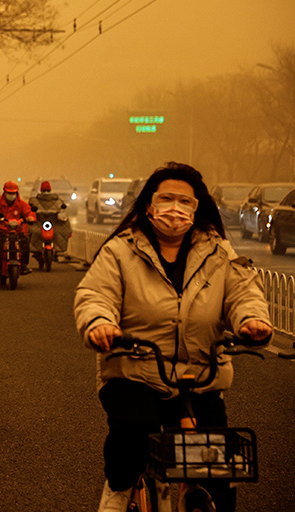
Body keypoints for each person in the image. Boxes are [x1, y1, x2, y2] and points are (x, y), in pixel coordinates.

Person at [73, 162, 272, 512]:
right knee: (133, 438)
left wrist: (252, 321)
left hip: (201, 376)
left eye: (185, 201)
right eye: (166, 198)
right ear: (149, 204)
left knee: (217, 465)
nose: (175, 208)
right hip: (134, 371)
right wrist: (99, 323)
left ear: (197, 209)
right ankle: (116, 497)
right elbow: (95, 295)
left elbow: (243, 293)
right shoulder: (120, 250)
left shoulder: (218, 251)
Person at [0, 180, 35, 273]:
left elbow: (29, 212)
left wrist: (30, 217)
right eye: (9, 193)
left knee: (24, 243)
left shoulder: (21, 204)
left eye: (13, 193)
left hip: (17, 231)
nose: (11, 195)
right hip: (1, 230)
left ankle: (24, 265)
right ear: (5, 192)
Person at [28, 180, 72, 261]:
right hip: (50, 224)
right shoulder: (57, 200)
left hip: (41, 224)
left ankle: (37, 251)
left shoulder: (34, 200)